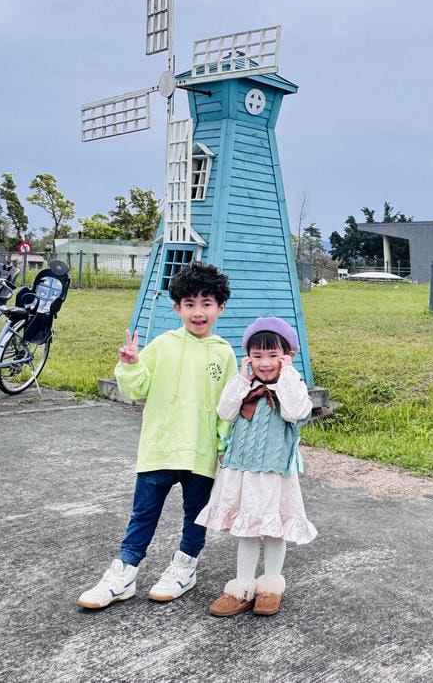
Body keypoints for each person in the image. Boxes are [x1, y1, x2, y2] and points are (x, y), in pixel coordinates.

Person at [77, 261, 237, 609]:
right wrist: (131, 364)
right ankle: (124, 573)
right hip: (160, 447)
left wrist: (226, 447)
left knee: (196, 515)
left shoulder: (224, 353)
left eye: (207, 303)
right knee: (143, 514)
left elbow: (227, 408)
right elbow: (136, 389)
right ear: (177, 307)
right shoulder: (163, 344)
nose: (198, 312)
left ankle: (185, 567)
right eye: (189, 303)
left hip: (201, 452)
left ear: (220, 307)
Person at [197, 316, 317, 617]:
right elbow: (225, 411)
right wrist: (241, 380)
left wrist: (287, 376)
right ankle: (242, 585)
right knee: (248, 531)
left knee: (275, 530)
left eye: (273, 355)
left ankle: (271, 585)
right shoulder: (245, 387)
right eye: (258, 355)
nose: (265, 362)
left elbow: (296, 412)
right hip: (243, 471)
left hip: (276, 474)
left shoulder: (291, 388)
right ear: (249, 357)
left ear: (287, 356)